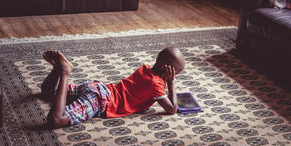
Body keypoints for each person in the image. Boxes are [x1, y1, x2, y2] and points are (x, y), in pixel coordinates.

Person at [40, 46, 185, 128]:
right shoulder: (156, 85)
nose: (176, 75)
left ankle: (57, 70)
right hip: (100, 100)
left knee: (48, 91)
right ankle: (65, 73)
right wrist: (171, 83)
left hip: (99, 88)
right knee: (56, 120)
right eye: (177, 72)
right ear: (169, 70)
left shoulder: (145, 69)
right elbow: (172, 109)